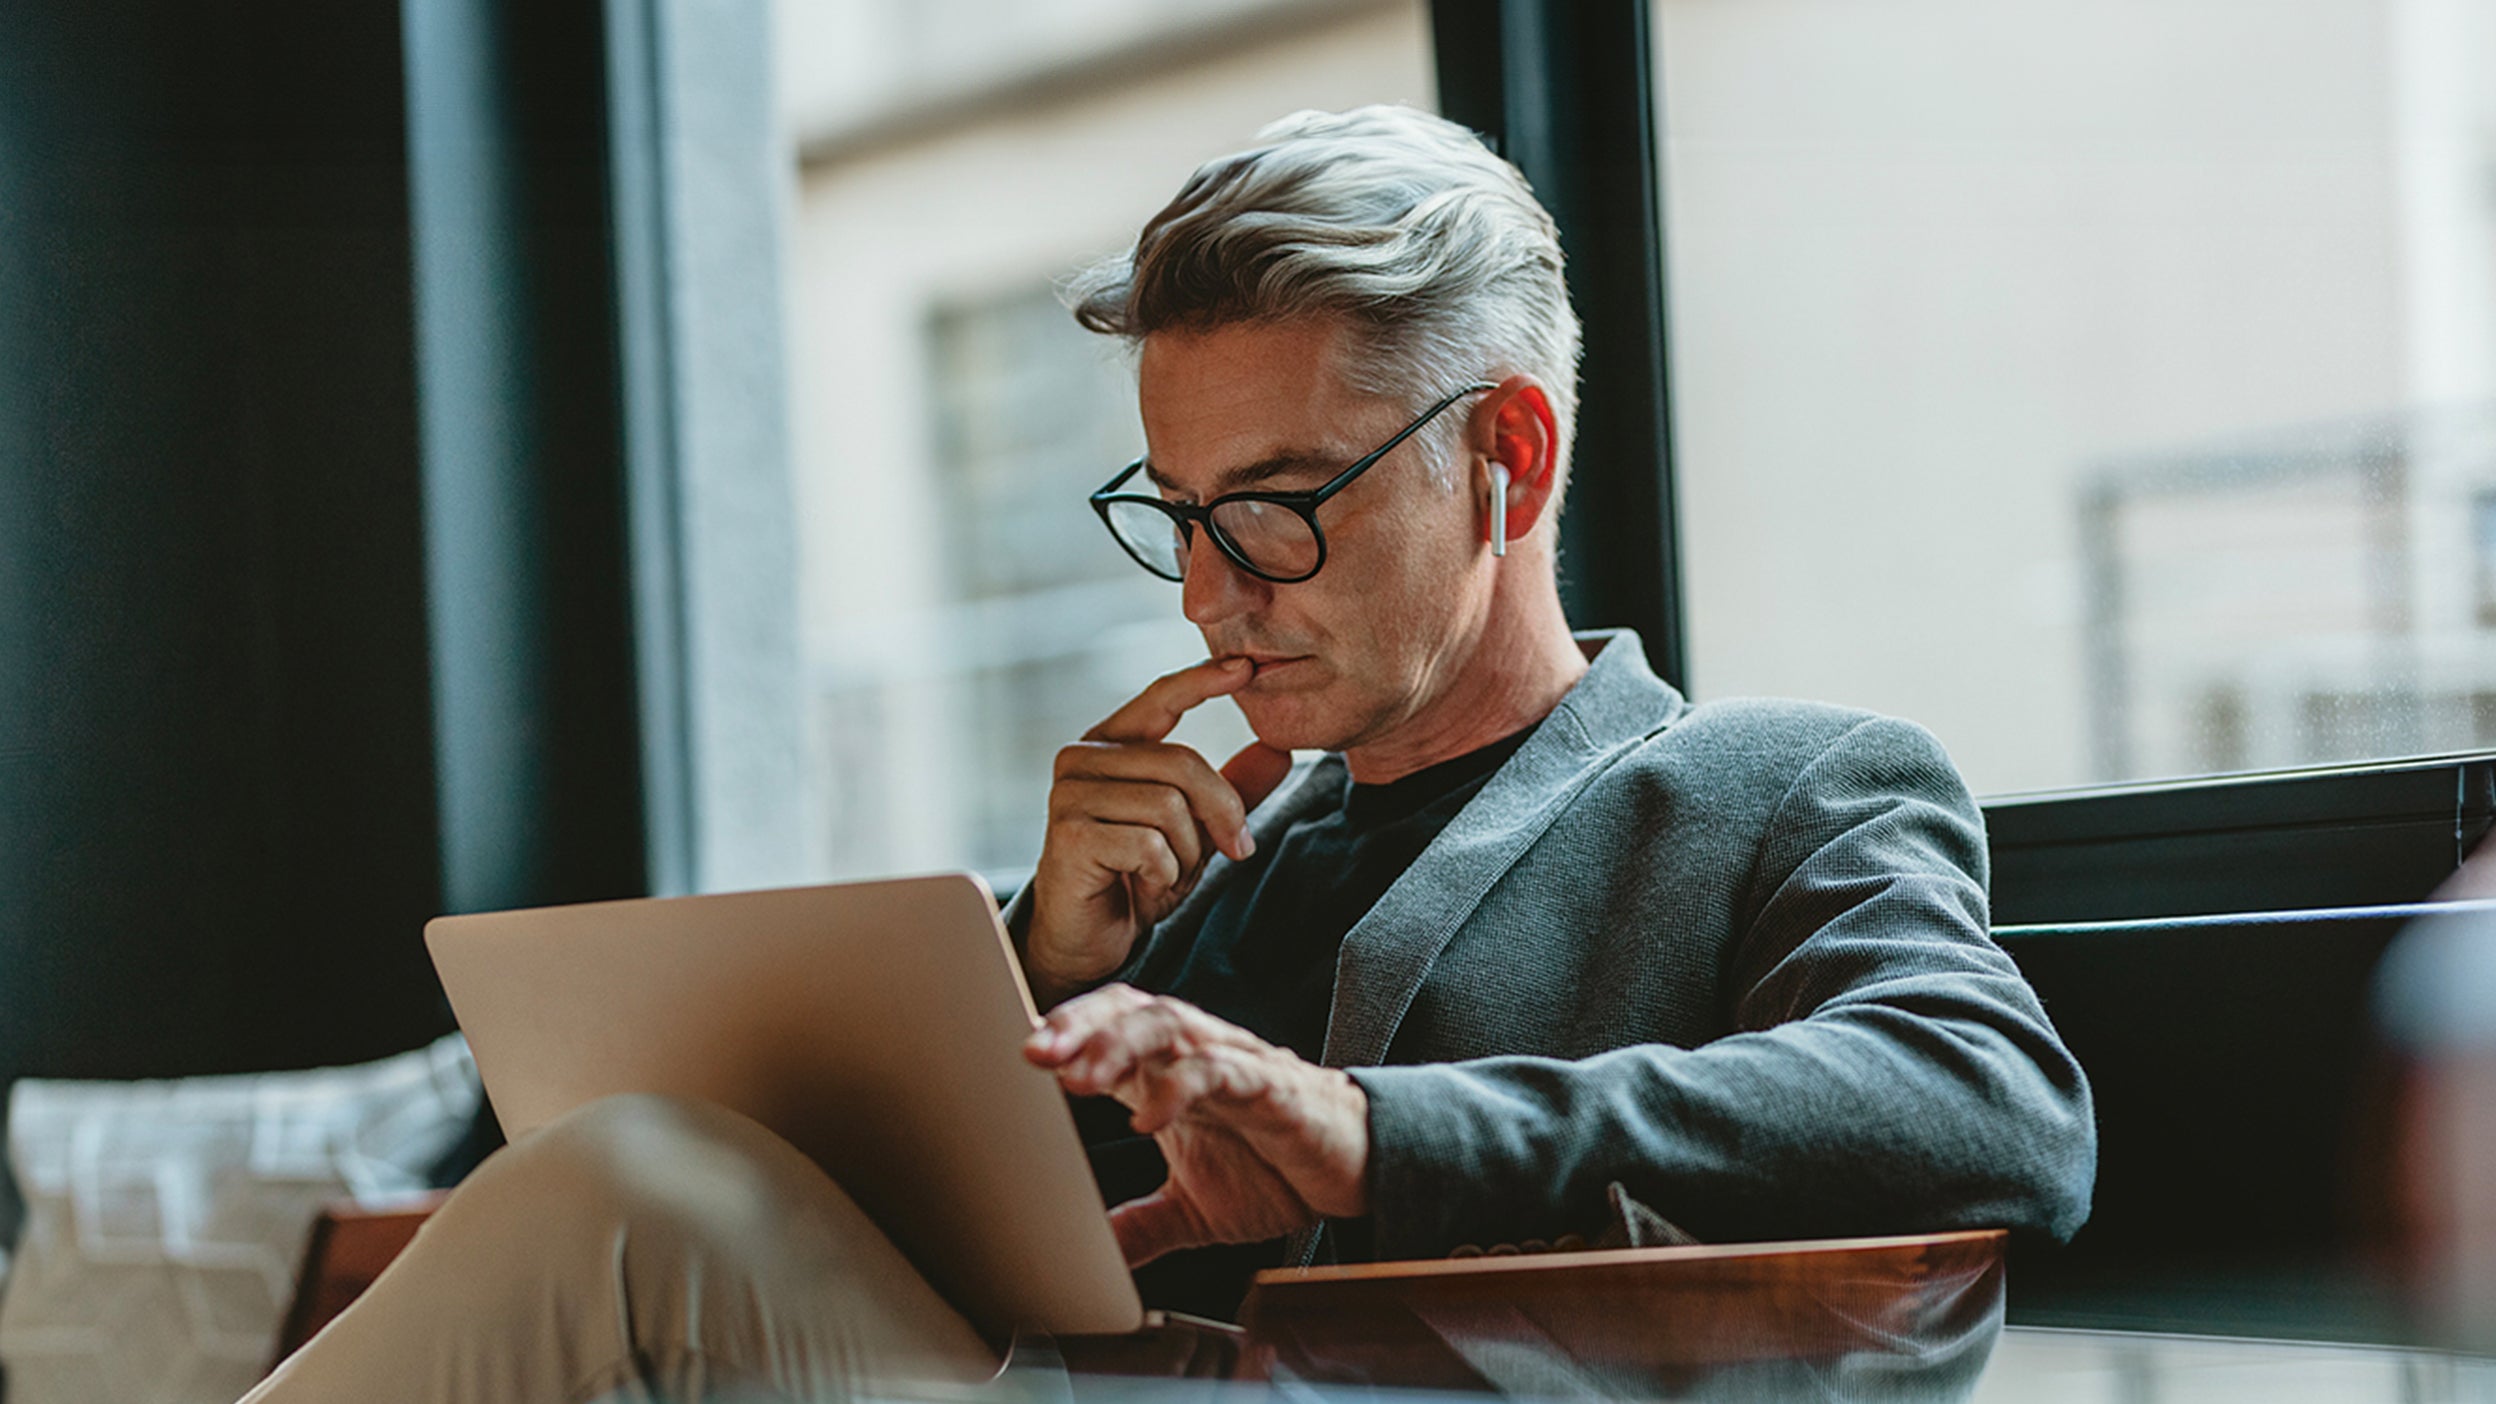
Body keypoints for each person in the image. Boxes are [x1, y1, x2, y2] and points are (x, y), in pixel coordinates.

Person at [242, 104, 2093, 1403]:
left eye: (1282, 509)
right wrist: (1040, 966)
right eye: (1180, 513)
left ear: (1509, 459)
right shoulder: (1203, 865)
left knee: (616, 1206)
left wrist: (1368, 1135)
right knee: (624, 1188)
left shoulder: (1778, 785)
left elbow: (1990, 1106)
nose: (1212, 596)